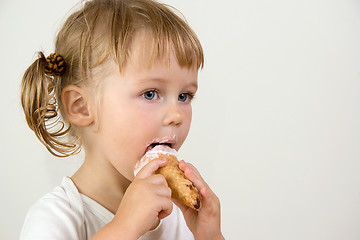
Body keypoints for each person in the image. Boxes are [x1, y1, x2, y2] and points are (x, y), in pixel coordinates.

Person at [20, 0, 224, 239]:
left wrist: (209, 234)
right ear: (81, 107)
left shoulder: (176, 214)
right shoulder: (55, 217)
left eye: (184, 96)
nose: (177, 115)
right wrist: (126, 226)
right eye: (150, 94)